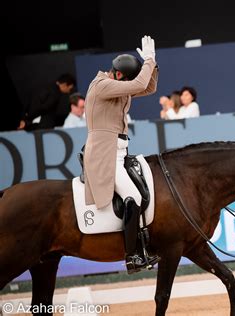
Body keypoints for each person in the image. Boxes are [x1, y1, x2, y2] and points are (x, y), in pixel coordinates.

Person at [83, 35, 159, 274]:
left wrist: (152, 63)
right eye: (126, 79)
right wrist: (146, 61)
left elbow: (148, 87)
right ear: (117, 75)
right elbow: (137, 85)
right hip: (105, 155)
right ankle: (132, 256)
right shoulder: (102, 86)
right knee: (133, 197)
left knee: (144, 192)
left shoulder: (117, 86)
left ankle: (142, 247)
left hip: (120, 153)